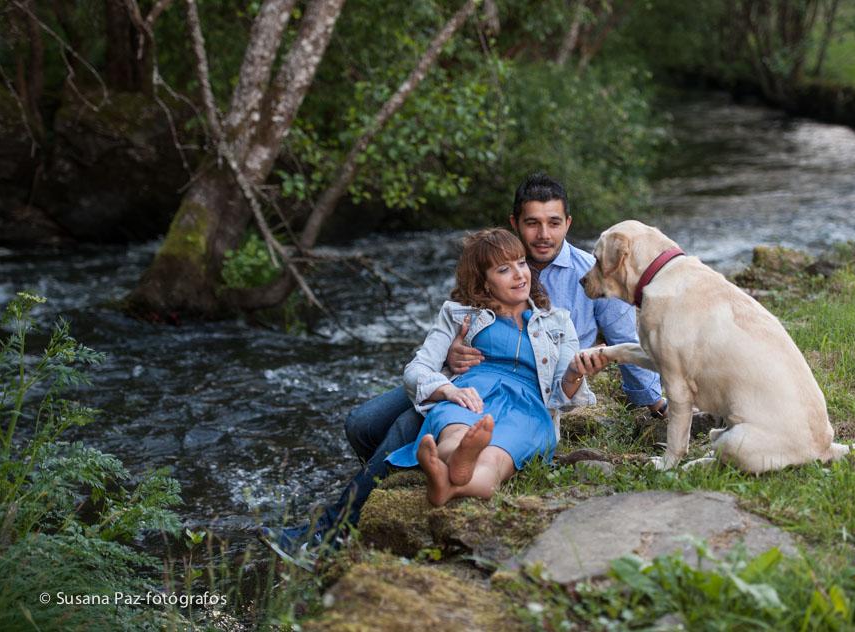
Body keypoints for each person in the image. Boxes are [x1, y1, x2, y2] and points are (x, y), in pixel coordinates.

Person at [258, 173, 663, 569]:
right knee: (360, 425)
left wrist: (654, 399)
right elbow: (447, 332)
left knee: (403, 428)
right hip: (463, 378)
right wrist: (453, 357)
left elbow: (621, 337)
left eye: (553, 223)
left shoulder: (586, 276)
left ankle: (331, 532)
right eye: (532, 224)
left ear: (567, 224)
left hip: (527, 390)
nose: (543, 235)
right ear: (515, 226)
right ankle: (394, 471)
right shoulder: (492, 261)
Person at [385, 228, 606, 506]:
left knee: (494, 458)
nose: (520, 274)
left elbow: (562, 397)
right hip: (471, 392)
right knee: (455, 432)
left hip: (528, 406)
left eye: (522, 263)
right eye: (504, 269)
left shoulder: (558, 322)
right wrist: (448, 391)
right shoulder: (458, 314)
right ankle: (456, 461)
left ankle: (448, 484)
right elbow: (417, 369)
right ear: (484, 282)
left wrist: (576, 372)